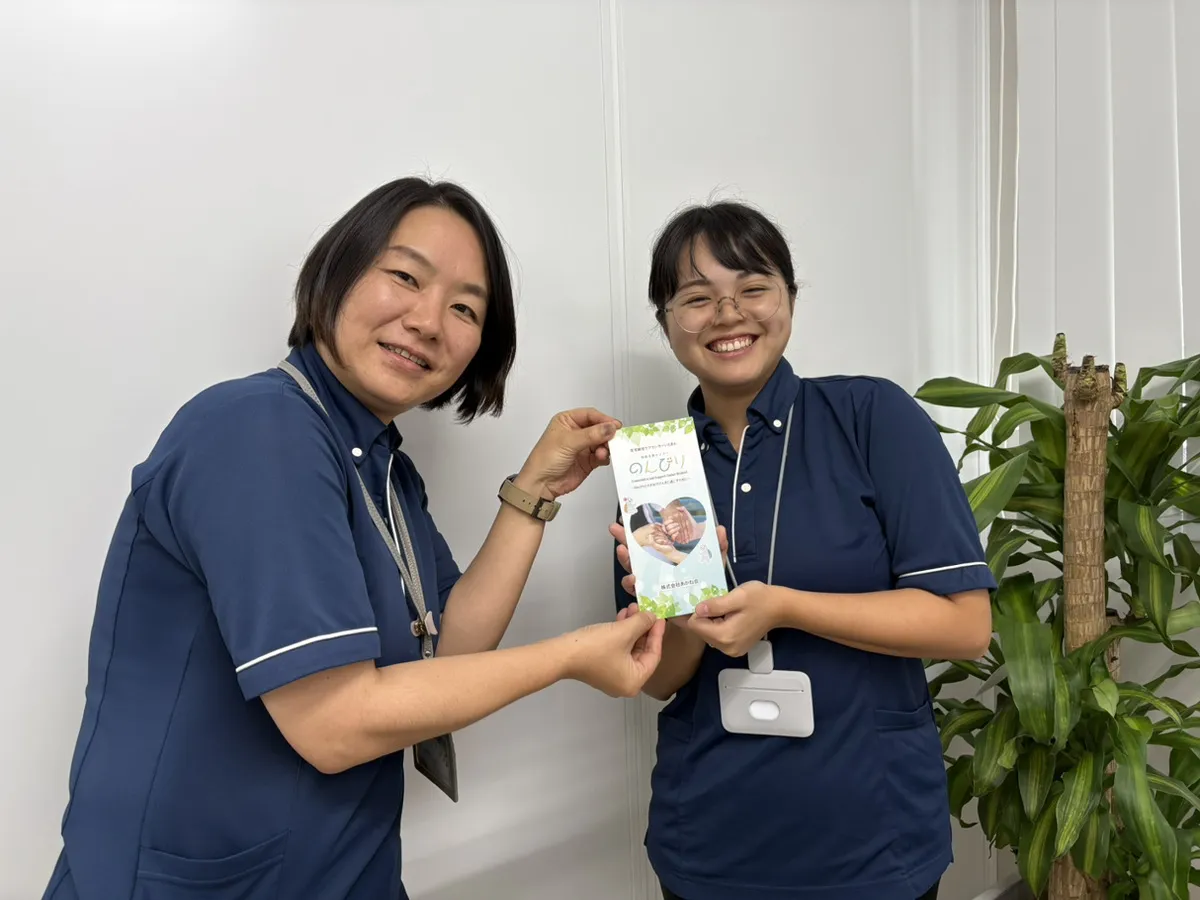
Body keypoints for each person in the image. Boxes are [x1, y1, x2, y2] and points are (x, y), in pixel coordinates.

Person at [42, 176, 665, 900]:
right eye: (406, 276)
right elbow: (333, 724)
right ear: (336, 271)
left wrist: (535, 490)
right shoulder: (257, 430)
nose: (428, 321)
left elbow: (451, 645)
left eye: (465, 308)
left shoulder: (381, 465)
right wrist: (570, 657)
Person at [611, 200, 994, 900]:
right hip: (709, 845)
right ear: (667, 322)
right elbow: (662, 679)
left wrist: (785, 607)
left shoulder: (872, 416)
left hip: (873, 841)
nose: (728, 314)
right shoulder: (655, 468)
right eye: (696, 298)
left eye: (752, 287)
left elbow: (965, 625)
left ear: (789, 298)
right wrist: (686, 615)